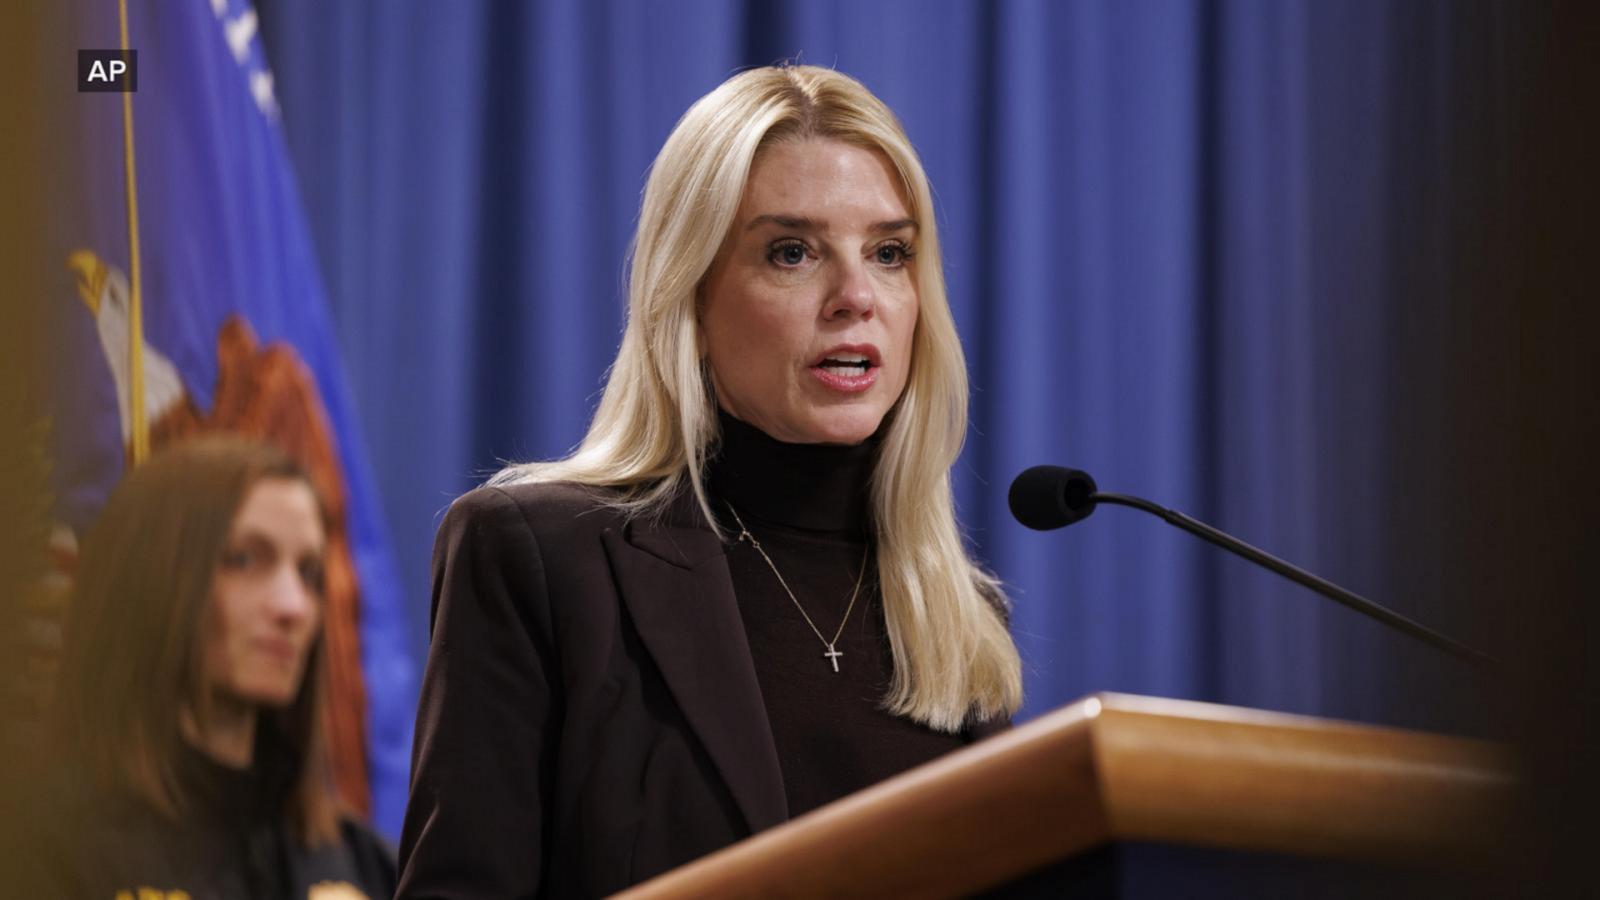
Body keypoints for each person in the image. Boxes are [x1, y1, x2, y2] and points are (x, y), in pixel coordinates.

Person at [398, 65, 1023, 898]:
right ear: (688, 299)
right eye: (792, 252)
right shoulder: (540, 558)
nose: (855, 297)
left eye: (889, 253)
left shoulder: (956, 614)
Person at [32, 436, 396, 899]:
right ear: (154, 577)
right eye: (244, 559)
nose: (293, 606)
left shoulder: (354, 860)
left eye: (308, 573)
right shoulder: (47, 848)